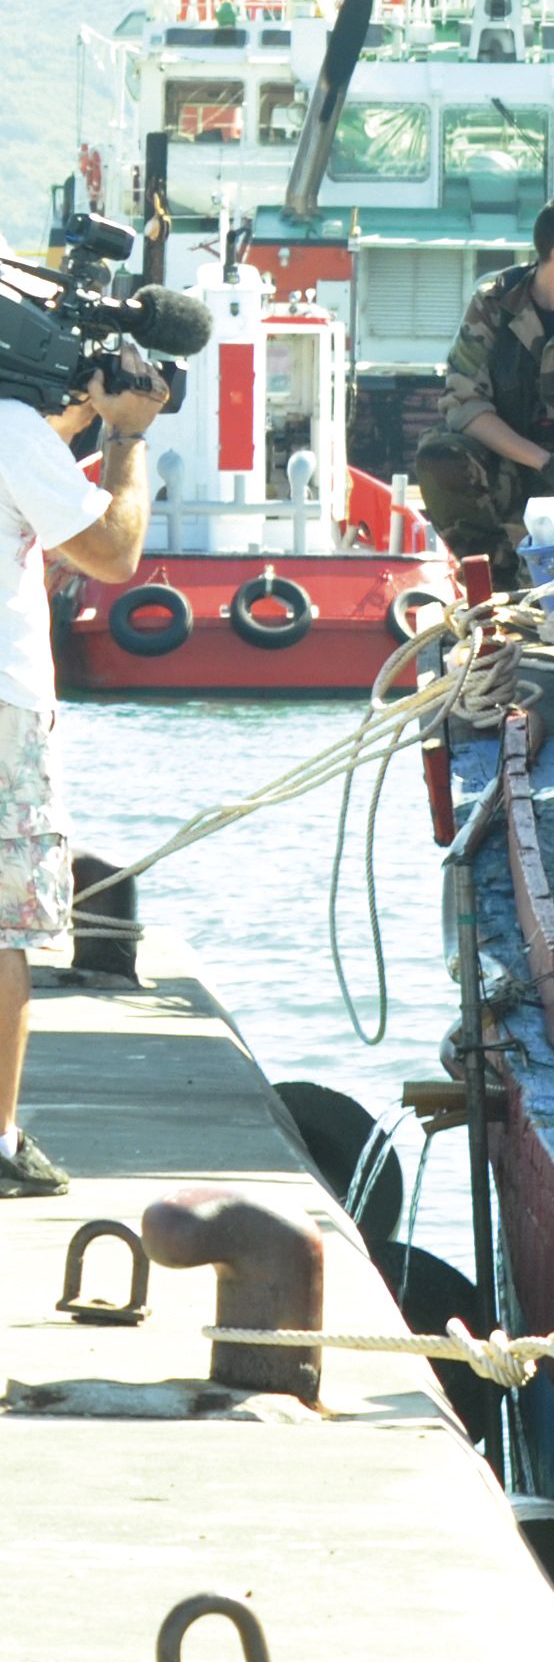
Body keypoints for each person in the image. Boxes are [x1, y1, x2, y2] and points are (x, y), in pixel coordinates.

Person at [2, 347, 169, 1195]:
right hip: (4, 706)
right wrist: (126, 436)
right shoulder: (10, 431)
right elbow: (111, 553)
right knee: (4, 933)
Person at [411, 191, 554, 574]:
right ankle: (497, 574)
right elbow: (465, 406)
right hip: (513, 464)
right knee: (441, 456)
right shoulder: (494, 303)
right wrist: (543, 463)